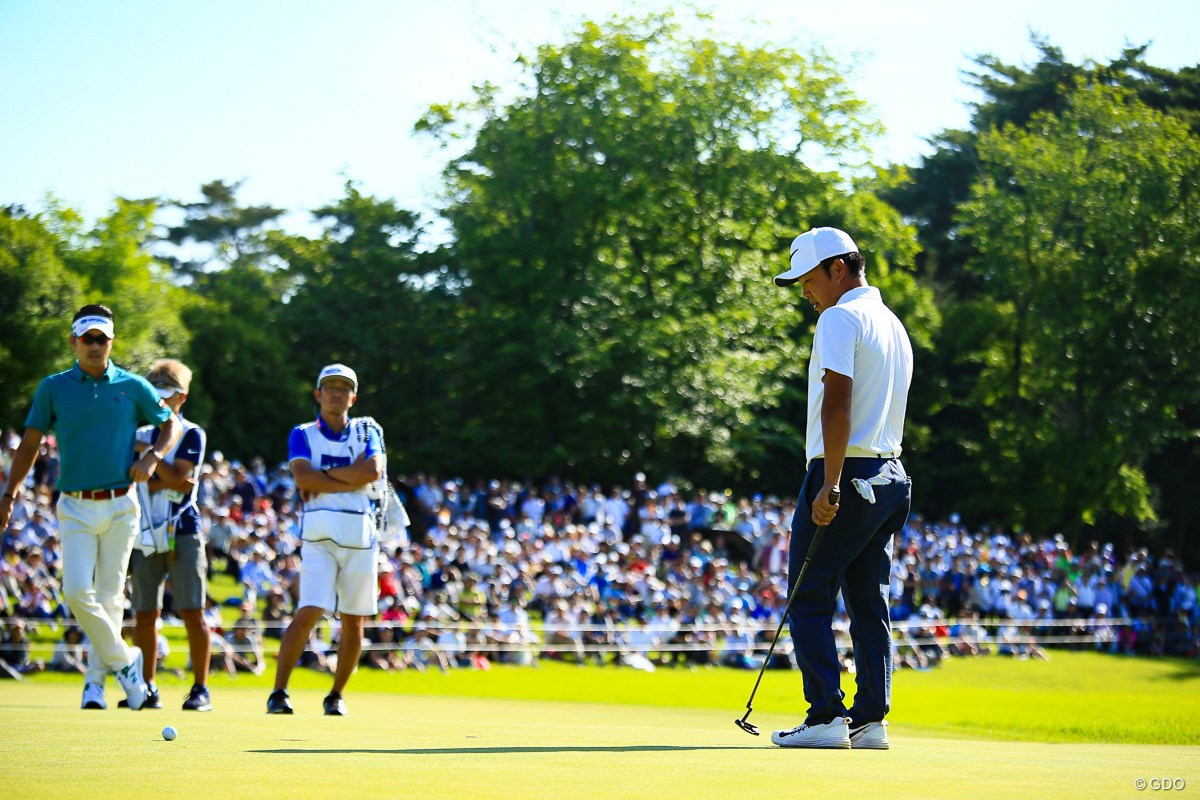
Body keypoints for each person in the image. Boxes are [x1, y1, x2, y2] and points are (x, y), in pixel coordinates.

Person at [769, 228, 913, 750]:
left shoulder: (839, 317)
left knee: (808, 595)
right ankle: (870, 720)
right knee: (868, 601)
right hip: (890, 476)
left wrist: (829, 483)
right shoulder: (893, 324)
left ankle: (827, 715)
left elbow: (838, 402)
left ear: (837, 269)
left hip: (845, 472)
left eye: (809, 279)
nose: (807, 293)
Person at [0, 305, 181, 710]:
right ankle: (127, 662)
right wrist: (9, 494)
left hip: (120, 504)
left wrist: (152, 457)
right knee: (77, 591)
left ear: (112, 342)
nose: (95, 346)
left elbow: (170, 423)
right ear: (74, 343)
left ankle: (95, 686)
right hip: (76, 506)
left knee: (111, 596)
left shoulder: (133, 386)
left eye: (102, 339)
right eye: (88, 339)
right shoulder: (53, 387)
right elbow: (29, 444)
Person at [267, 364, 385, 716]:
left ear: (354, 396)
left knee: (353, 621)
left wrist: (325, 477)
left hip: (360, 539)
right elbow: (304, 477)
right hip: (319, 538)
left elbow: (372, 472)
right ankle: (279, 692)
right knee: (309, 612)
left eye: (343, 388)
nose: (336, 393)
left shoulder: (367, 430)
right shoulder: (302, 433)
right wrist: (349, 480)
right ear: (317, 394)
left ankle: (336, 695)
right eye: (329, 387)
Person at [125, 359, 212, 711]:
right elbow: (141, 476)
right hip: (143, 530)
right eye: (155, 395)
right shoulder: (136, 431)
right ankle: (147, 687)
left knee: (193, 610)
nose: (160, 402)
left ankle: (200, 689)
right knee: (145, 613)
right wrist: (166, 474)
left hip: (183, 531)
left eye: (167, 396)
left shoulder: (191, 433)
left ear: (182, 397)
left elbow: (178, 477)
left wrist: (150, 454)